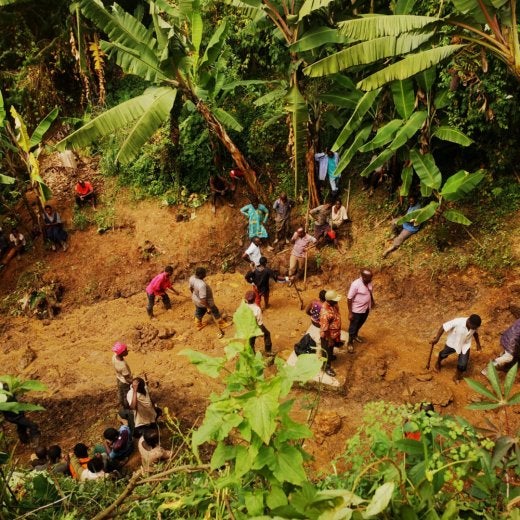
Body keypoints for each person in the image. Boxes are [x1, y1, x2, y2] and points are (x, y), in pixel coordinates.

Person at [430, 314, 482, 382]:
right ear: (469, 322)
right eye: (473, 327)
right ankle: (438, 363)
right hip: (453, 343)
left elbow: (475, 333)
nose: (474, 329)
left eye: (475, 328)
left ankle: (456, 376)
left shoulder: (474, 326)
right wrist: (437, 339)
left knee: (463, 364)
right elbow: (443, 327)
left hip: (465, 345)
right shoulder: (458, 322)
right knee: (443, 354)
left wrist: (478, 344)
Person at [347, 269, 376, 353]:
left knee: (360, 323)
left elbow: (369, 292)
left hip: (366, 308)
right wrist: (350, 312)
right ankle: (350, 343)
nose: (371, 279)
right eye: (369, 278)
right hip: (356, 310)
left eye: (371, 277)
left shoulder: (369, 282)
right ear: (363, 277)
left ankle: (355, 335)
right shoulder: (355, 284)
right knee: (353, 326)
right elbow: (349, 298)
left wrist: (372, 301)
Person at [320, 290, 342, 377]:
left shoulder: (333, 305)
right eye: (335, 300)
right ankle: (326, 367)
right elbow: (325, 329)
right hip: (327, 336)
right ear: (329, 300)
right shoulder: (325, 313)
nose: (337, 301)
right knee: (326, 351)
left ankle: (330, 356)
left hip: (334, 334)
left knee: (331, 348)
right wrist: (329, 340)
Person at [112, 342, 132, 410]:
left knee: (120, 393)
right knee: (126, 396)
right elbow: (127, 379)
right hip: (124, 382)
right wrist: (136, 382)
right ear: (122, 353)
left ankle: (122, 404)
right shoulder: (122, 366)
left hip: (119, 378)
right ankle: (127, 408)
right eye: (125, 350)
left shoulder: (114, 355)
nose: (127, 351)